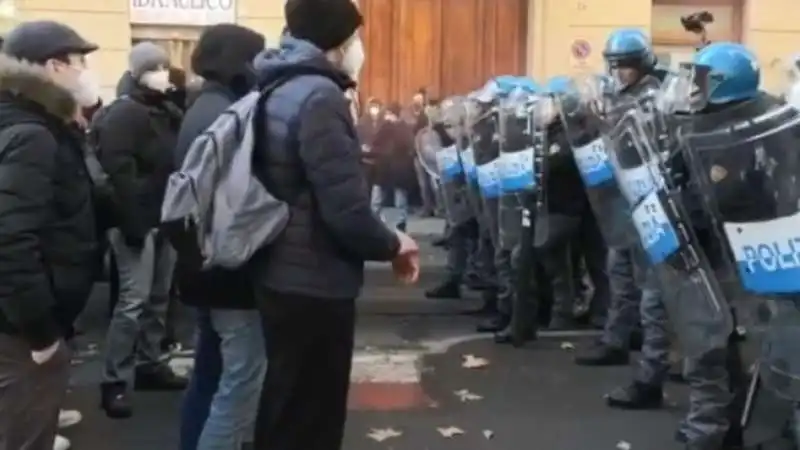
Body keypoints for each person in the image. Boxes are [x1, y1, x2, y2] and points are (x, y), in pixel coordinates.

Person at [249, 0, 420, 449]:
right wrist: (393, 244)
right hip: (315, 278)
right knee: (313, 415)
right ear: (336, 42)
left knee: (285, 402)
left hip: (279, 267)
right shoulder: (320, 96)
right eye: (355, 38)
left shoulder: (277, 85)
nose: (359, 48)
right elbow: (344, 209)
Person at [0, 20, 101, 450]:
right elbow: (9, 239)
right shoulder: (33, 134)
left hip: (20, 316)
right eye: (79, 62)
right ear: (54, 66)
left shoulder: (33, 122)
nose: (84, 72)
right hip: (21, 327)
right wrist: (41, 333)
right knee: (26, 433)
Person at [173, 24, 268, 450]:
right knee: (239, 383)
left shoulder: (203, 105)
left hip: (201, 265)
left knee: (209, 374)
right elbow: (238, 199)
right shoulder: (226, 113)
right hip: (228, 271)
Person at [574, 29, 670, 411]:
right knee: (621, 278)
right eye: (614, 66)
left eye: (625, 66)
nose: (619, 73)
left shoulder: (657, 97)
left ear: (642, 62)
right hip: (623, 202)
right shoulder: (615, 96)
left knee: (653, 297)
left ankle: (652, 372)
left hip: (652, 204)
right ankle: (616, 340)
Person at [96, 41, 186, 418]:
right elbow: (118, 174)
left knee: (158, 297)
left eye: (166, 66)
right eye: (155, 67)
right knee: (132, 301)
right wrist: (135, 224)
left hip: (163, 218)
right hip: (137, 222)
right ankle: (114, 380)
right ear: (136, 71)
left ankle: (150, 364)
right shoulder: (124, 113)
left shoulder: (163, 110)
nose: (162, 72)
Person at [370, 102, 416, 231]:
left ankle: (378, 221)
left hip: (388, 166)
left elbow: (375, 143)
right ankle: (399, 222)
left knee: (380, 198)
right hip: (394, 167)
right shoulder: (402, 128)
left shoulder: (389, 127)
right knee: (396, 198)